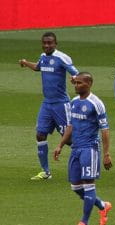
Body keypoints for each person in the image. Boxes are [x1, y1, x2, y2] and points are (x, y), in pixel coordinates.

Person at [53, 72, 112, 225]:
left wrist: (106, 154)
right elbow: (70, 126)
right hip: (76, 149)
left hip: (90, 149)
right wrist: (60, 145)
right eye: (76, 83)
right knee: (76, 187)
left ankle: (84, 222)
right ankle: (103, 206)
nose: (76, 86)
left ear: (89, 84)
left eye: (80, 83)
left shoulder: (96, 103)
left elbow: (105, 130)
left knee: (88, 184)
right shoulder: (73, 102)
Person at [19, 32, 79, 180]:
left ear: (55, 44)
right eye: (44, 43)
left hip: (61, 104)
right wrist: (26, 63)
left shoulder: (62, 57)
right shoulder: (43, 57)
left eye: (50, 43)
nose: (46, 45)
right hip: (47, 104)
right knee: (40, 134)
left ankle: (85, 162)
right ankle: (45, 172)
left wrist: (75, 79)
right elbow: (38, 67)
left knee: (69, 140)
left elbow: (77, 73)